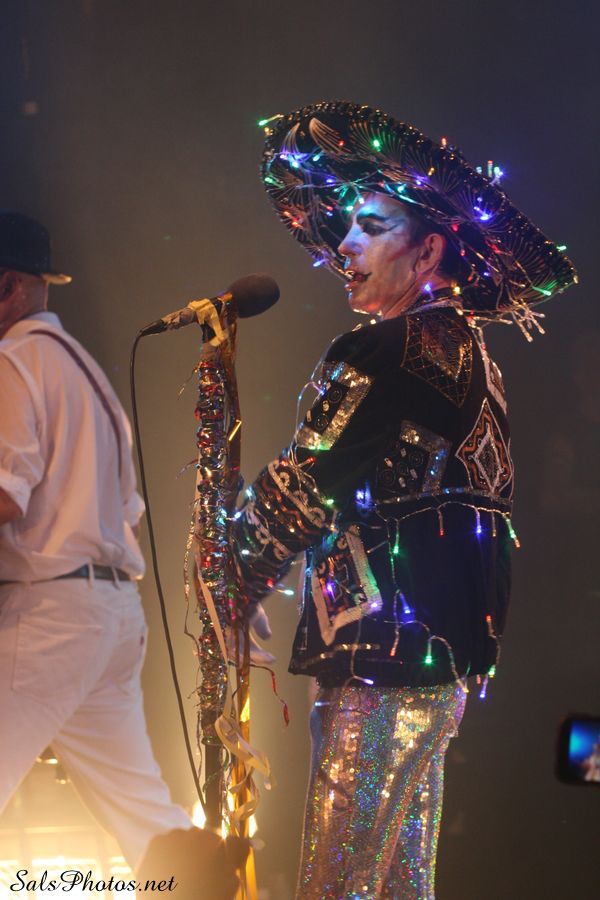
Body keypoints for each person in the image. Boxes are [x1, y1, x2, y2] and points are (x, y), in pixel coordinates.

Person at [231, 101, 577, 898]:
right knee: (394, 885)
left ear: (427, 250)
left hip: (381, 656)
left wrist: (229, 570)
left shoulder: (388, 347)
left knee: (338, 883)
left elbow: (304, 483)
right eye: (347, 227)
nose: (345, 246)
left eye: (372, 227)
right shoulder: (469, 353)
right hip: (434, 660)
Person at [0, 211, 247, 899]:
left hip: (53, 614)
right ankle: (200, 882)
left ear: (6, 287)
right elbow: (126, 511)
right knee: (149, 822)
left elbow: (6, 496)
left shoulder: (14, 363)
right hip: (110, 614)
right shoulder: (85, 374)